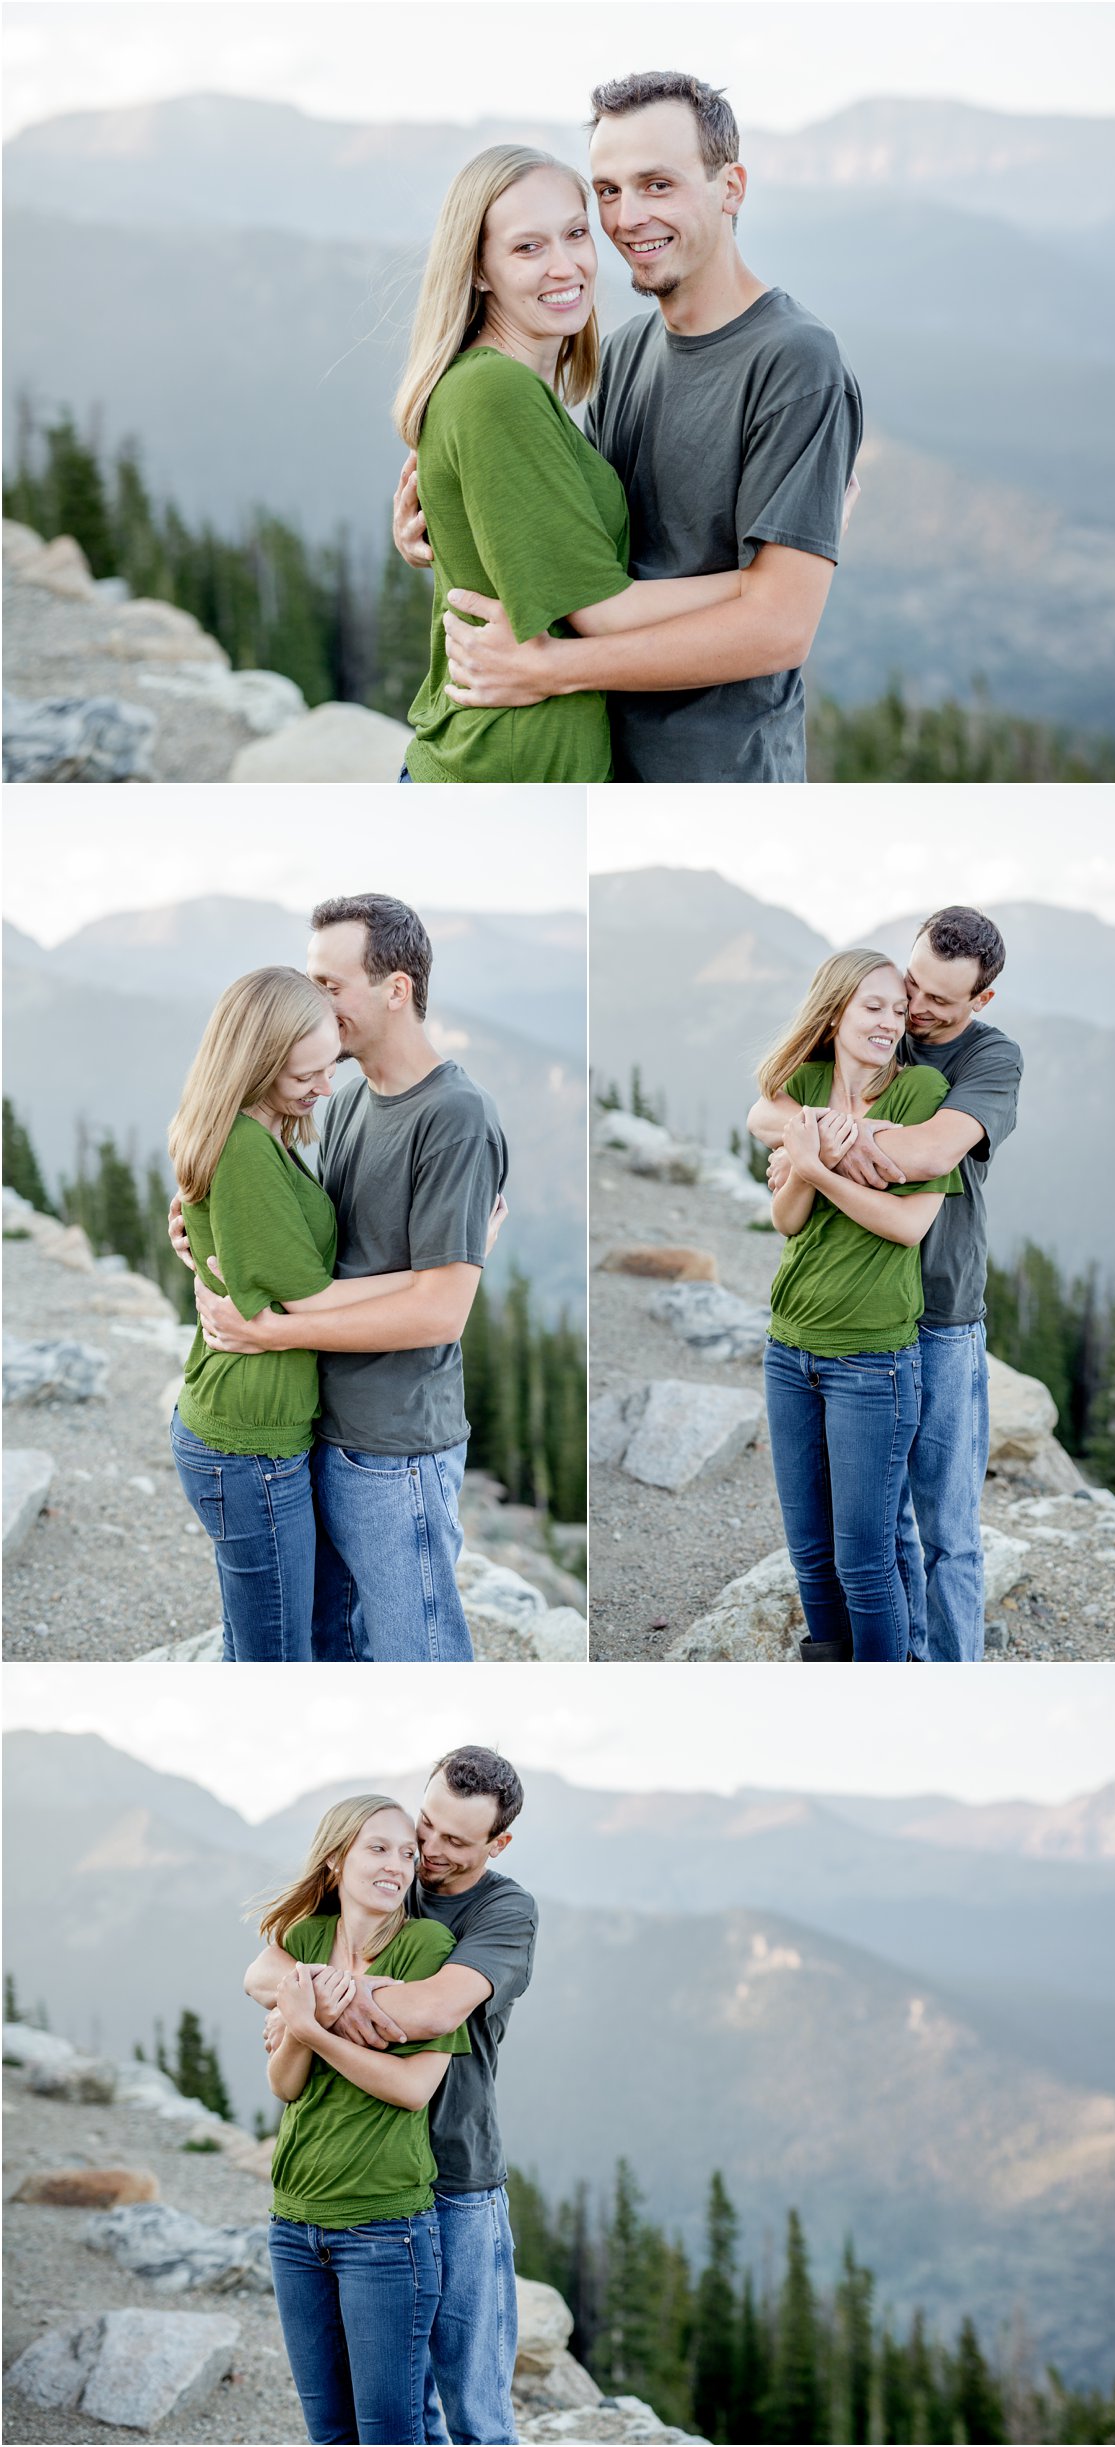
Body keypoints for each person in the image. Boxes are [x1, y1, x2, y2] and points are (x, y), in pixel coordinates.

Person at [396, 70, 862, 784]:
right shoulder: (624, 355)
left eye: (657, 184)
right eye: (609, 191)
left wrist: (553, 670)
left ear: (730, 188)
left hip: (717, 773)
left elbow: (779, 628)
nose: (627, 217)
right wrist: (442, 515)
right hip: (599, 764)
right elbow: (577, 545)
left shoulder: (796, 362)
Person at [179, 896, 509, 1665]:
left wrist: (269, 1330)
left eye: (330, 984)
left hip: (395, 1447)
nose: (312, 1002)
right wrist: (203, 1223)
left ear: (395, 989)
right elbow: (300, 1244)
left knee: (413, 1654)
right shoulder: (351, 1093)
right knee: (329, 1649)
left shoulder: (456, 1116)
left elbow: (439, 1314)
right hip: (321, 1430)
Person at [393, 141, 760, 784]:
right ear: (478, 270)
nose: (566, 266)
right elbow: (603, 613)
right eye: (528, 248)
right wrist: (770, 578)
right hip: (504, 772)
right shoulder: (494, 392)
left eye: (575, 234)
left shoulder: (516, 390)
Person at [247, 1746, 537, 2447]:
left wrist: (312, 2008)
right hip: (364, 2181)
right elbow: (263, 1968)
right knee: (406, 2402)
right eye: (426, 1825)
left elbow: (434, 2011)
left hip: (456, 2179)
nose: (428, 1851)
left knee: (473, 2406)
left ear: (497, 1843)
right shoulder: (389, 1874)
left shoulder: (504, 1909)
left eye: (455, 1841)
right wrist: (308, 1998)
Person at [752, 908, 1021, 1661]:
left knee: (946, 1528)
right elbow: (761, 1110)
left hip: (941, 1312)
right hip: (847, 1318)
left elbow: (931, 1149)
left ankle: (950, 1668)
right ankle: (899, 1658)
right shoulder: (885, 1027)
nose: (917, 1009)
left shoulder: (988, 1060)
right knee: (879, 1525)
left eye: (939, 1001)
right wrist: (818, 1135)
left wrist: (823, 1146)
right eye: (911, 986)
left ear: (981, 1001)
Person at [168, 966, 441, 1662]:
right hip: (248, 1443)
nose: (324, 1088)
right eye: (303, 1077)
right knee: (275, 1656)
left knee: (262, 1640)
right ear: (255, 1066)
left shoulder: (258, 1132)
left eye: (329, 1068)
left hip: (252, 1433)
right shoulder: (245, 1149)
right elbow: (311, 1300)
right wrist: (441, 1272)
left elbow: (246, 1248)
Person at [256, 1793, 471, 2447]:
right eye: (378, 1847)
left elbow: (412, 2088)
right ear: (334, 1858)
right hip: (294, 2223)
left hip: (385, 2231)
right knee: (329, 2433)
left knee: (390, 2435)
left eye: (408, 1852)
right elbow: (285, 2084)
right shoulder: (308, 1939)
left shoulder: (426, 1946)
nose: (398, 1864)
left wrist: (311, 2027)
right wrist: (301, 2026)